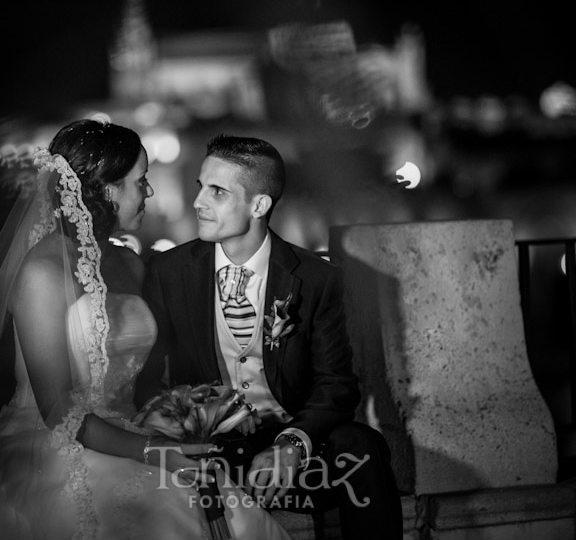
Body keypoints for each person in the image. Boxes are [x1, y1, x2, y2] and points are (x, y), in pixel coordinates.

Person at [0, 119, 292, 540]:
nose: (149, 191)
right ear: (106, 189)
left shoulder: (130, 264)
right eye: (140, 181)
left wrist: (184, 417)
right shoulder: (43, 272)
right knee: (151, 516)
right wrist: (152, 452)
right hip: (55, 446)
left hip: (132, 429)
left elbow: (150, 377)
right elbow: (57, 410)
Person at [135, 134, 403, 539]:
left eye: (217, 191)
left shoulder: (315, 279)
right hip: (216, 452)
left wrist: (291, 444)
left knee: (360, 446)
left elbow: (337, 386)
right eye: (200, 187)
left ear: (259, 205)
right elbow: (151, 378)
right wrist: (191, 424)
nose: (198, 202)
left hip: (295, 450)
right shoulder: (168, 272)